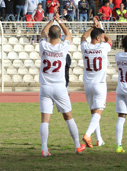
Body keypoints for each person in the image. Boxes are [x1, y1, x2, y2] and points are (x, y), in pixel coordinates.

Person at [39, 13, 86, 156]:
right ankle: (77, 145)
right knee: (68, 116)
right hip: (60, 87)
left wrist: (52, 20)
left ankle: (44, 149)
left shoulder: (43, 45)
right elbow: (69, 35)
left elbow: (42, 32)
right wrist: (60, 21)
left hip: (45, 87)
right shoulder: (63, 47)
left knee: (45, 119)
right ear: (59, 37)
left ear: (49, 36)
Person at [80, 17, 112, 148]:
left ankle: (99, 139)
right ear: (98, 38)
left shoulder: (85, 46)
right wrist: (101, 29)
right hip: (99, 84)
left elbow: (83, 36)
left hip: (87, 84)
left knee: (94, 113)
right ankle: (87, 135)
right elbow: (109, 40)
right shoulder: (103, 47)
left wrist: (93, 27)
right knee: (98, 112)